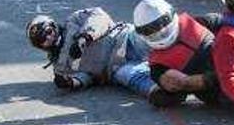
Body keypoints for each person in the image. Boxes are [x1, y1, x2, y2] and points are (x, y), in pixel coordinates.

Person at [26, 9, 177, 107]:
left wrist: (85, 37)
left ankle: (190, 47)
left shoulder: (74, 20)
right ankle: (165, 91)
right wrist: (70, 83)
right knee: (131, 77)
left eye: (48, 31)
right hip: (114, 68)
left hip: (123, 39)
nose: (49, 37)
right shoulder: (60, 66)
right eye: (42, 39)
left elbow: (100, 17)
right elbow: (87, 77)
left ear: (53, 25)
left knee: (150, 40)